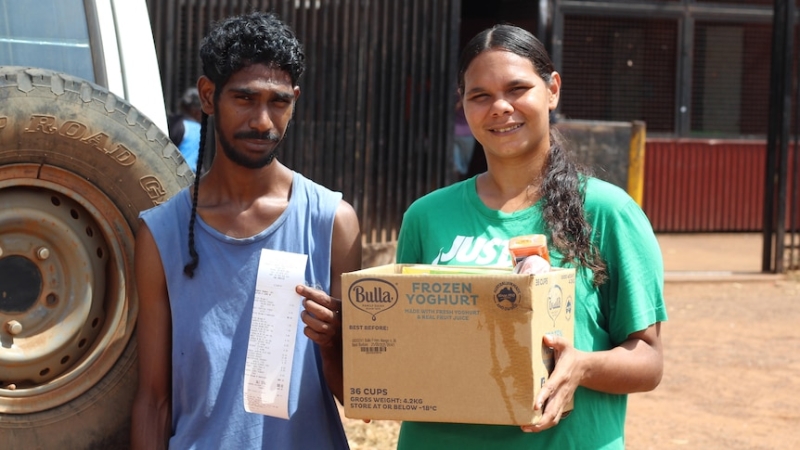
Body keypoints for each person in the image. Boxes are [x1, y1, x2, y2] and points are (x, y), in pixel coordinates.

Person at [395, 24, 666, 449]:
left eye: (517, 88)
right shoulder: (426, 216)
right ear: (463, 105)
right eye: (479, 95)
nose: (500, 107)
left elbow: (648, 360)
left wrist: (582, 367)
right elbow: (406, 342)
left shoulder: (608, 212)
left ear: (552, 89)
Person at [131, 11, 361, 450]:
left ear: (294, 100)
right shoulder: (162, 233)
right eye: (245, 99)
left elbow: (355, 395)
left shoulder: (332, 222)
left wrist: (332, 342)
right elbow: (153, 399)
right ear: (207, 96)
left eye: (278, 102)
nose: (262, 121)